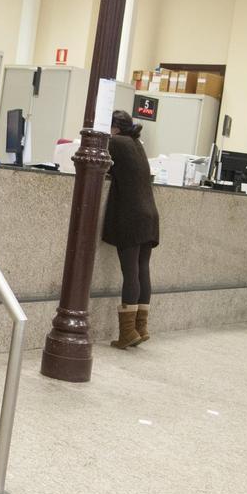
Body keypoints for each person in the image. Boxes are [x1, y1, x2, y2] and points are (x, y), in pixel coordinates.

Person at [103, 109, 160, 349]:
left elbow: (101, 166)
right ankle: (140, 327)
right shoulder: (136, 144)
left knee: (130, 272)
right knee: (142, 269)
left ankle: (127, 332)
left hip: (131, 216)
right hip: (149, 215)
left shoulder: (115, 142)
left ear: (115, 127)